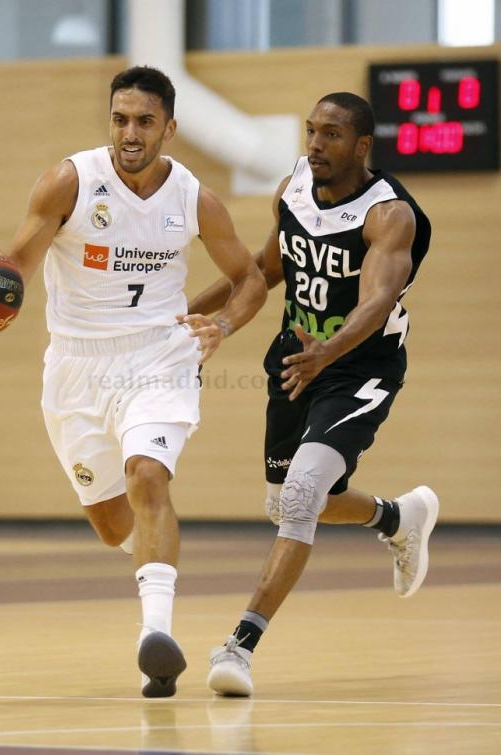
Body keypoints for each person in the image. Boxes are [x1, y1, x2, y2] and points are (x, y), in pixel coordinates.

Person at [0, 66, 266, 697]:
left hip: (159, 357)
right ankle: (153, 550)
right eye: (119, 119)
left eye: (144, 121)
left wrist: (222, 324)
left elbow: (249, 278)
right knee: (115, 525)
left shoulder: (194, 199)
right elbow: (16, 268)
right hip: (75, 367)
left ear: (169, 128)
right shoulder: (70, 181)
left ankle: (154, 638)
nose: (129, 132)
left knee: (148, 476)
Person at [186, 92, 439, 697]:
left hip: (360, 368)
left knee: (303, 494)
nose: (315, 145)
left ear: (361, 145)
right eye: (311, 131)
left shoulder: (389, 215)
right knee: (288, 504)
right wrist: (185, 314)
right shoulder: (294, 188)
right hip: (296, 360)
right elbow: (266, 270)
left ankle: (238, 647)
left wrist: (330, 350)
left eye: (331, 135)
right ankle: (397, 517)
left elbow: (377, 302)